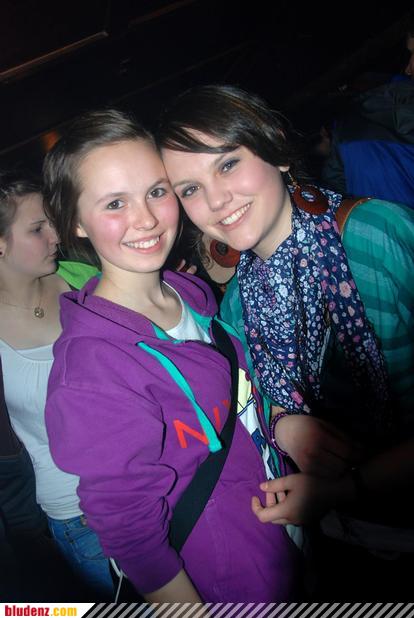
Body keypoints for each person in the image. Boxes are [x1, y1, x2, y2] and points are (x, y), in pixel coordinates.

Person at [157, 84, 414, 599]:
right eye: (189, 189)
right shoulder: (237, 303)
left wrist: (346, 488)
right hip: (345, 542)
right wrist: (283, 423)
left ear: (274, 146)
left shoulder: (376, 235)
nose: (215, 201)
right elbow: (259, 400)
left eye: (228, 164)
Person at [42, 108, 302, 603]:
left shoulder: (189, 293)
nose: (145, 218)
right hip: (226, 584)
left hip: (279, 538)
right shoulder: (93, 370)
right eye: (115, 203)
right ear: (75, 221)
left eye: (157, 191)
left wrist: (284, 425)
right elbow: (129, 530)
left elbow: (238, 402)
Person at [0, 171, 113, 600]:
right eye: (37, 228)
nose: (56, 236)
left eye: (52, 222)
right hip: (79, 513)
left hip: (146, 479)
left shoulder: (82, 277)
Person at [321, 13, 414, 207]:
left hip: (374, 223)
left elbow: (336, 188)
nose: (408, 69)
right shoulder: (346, 128)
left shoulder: (346, 127)